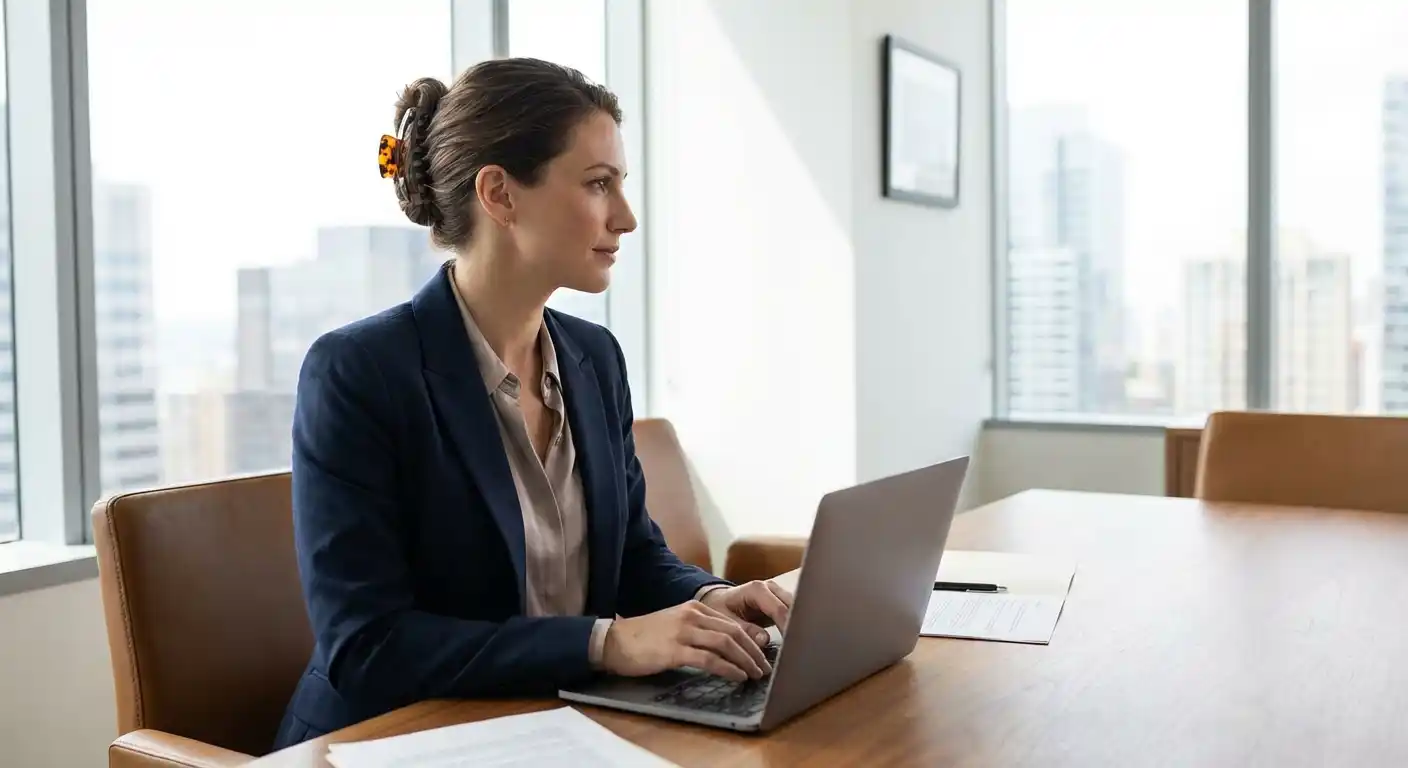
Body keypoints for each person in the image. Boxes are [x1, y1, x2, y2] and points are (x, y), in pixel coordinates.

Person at [272, 58, 793, 750]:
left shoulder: (593, 359)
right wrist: (606, 645)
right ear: (500, 194)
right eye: (598, 184)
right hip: (387, 742)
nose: (626, 218)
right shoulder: (360, 373)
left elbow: (634, 559)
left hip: (550, 730)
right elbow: (369, 648)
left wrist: (708, 601)